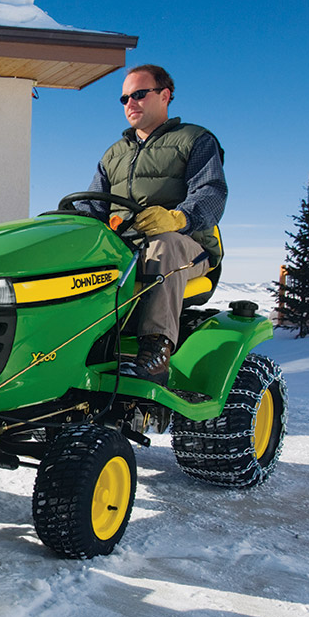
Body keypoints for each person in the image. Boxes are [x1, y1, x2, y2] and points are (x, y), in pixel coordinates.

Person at [74, 64, 227, 384]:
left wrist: (178, 218)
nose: (130, 102)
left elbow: (211, 192)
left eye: (140, 94)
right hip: (125, 248)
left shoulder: (195, 139)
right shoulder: (113, 154)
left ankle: (156, 350)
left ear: (165, 95)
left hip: (187, 245)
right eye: (125, 98)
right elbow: (92, 206)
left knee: (163, 246)